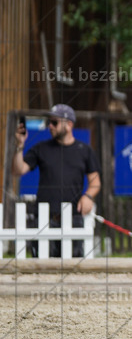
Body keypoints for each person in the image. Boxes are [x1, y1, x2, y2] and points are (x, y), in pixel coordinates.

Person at [11, 104, 100, 258]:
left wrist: (88, 196)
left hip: (73, 217)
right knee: (40, 266)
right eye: (49, 122)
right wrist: (20, 145)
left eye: (54, 122)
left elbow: (95, 182)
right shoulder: (41, 148)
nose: (50, 126)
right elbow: (18, 170)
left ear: (69, 124)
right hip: (44, 218)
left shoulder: (84, 150)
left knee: (73, 268)